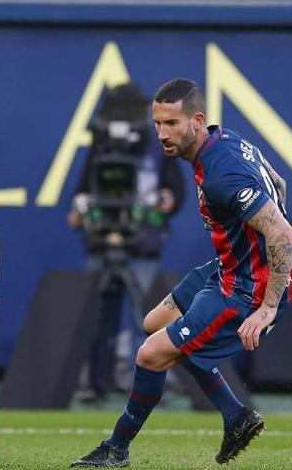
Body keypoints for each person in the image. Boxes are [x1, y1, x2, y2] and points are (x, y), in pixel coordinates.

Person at [71, 78, 292, 467]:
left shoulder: (221, 173)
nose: (162, 133)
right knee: (154, 322)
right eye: (157, 123)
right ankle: (236, 415)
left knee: (151, 355)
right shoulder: (222, 139)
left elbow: (283, 232)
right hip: (228, 270)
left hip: (249, 290)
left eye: (172, 124)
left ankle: (116, 449)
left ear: (197, 120)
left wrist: (268, 307)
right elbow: (278, 182)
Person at [67, 83, 185, 402]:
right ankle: (94, 379)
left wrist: (167, 200)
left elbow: (177, 191)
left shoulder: (156, 146)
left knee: (145, 316)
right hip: (101, 240)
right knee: (95, 314)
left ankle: (148, 382)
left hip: (142, 241)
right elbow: (83, 191)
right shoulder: (101, 147)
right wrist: (82, 210)